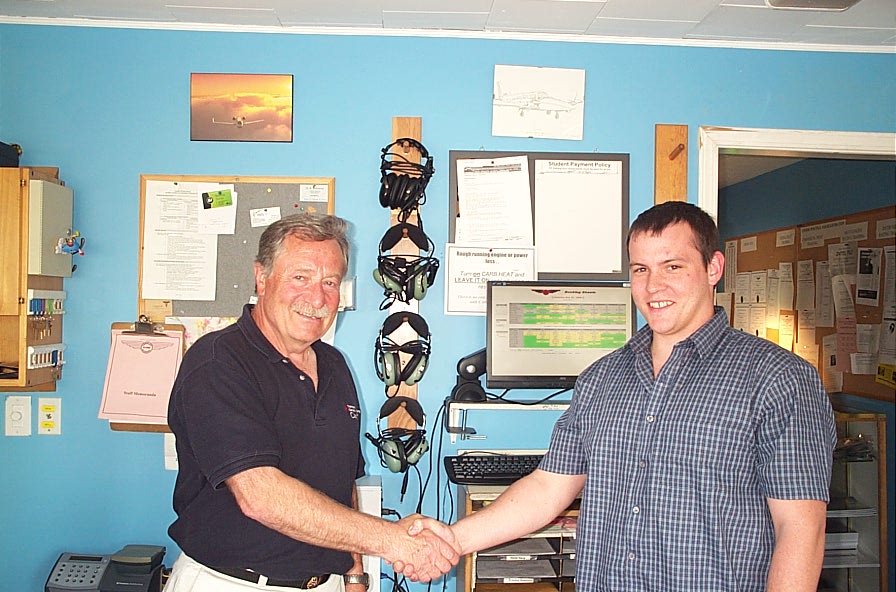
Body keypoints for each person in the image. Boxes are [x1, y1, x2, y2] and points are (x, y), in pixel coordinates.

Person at [406, 201, 836, 591]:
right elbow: (547, 489)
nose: (653, 287)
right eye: (641, 269)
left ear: (713, 268)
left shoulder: (780, 379)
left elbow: (800, 530)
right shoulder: (601, 379)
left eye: (673, 267)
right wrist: (453, 538)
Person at [166, 213, 459, 591]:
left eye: (330, 282)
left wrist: (354, 574)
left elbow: (342, 481)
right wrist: (395, 541)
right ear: (262, 276)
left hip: (327, 583)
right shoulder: (219, 362)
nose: (317, 298)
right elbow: (261, 496)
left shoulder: (334, 364)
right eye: (300, 277)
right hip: (233, 582)